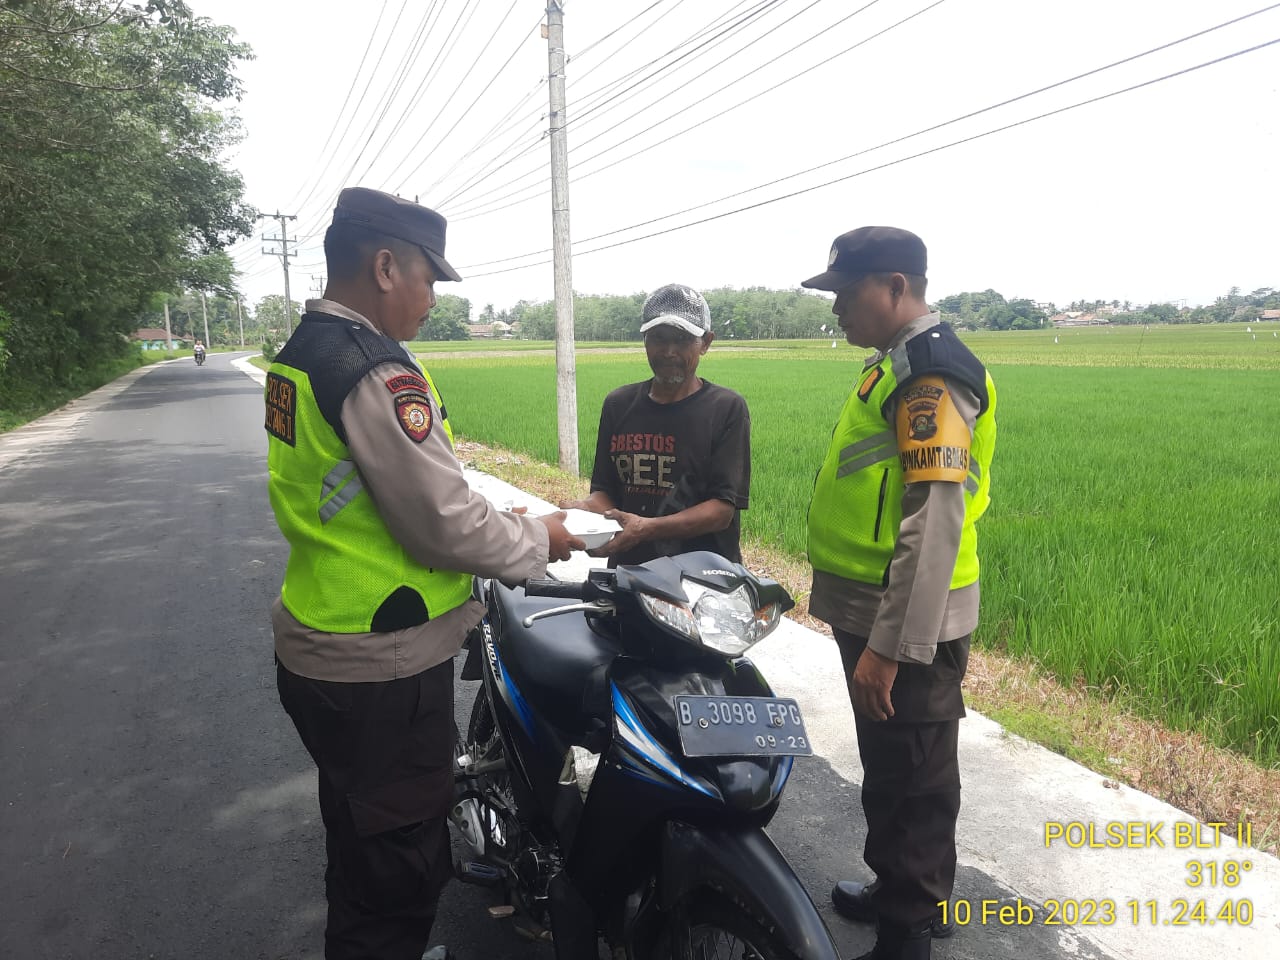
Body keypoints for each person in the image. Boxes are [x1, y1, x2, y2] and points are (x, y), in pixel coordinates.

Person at [263, 186, 583, 960]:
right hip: (382, 665)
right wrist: (542, 537)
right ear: (383, 266)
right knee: (399, 871)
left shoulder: (300, 355)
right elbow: (443, 524)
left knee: (359, 834)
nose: (432, 300)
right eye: (428, 279)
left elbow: (386, 492)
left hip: (318, 644)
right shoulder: (374, 370)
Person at [800, 227, 997, 960]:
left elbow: (934, 517)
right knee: (889, 763)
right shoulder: (894, 364)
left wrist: (890, 647)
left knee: (913, 775)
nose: (838, 311)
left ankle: (910, 929)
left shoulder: (931, 375)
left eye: (846, 295)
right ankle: (899, 891)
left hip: (906, 614)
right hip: (875, 605)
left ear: (893, 286)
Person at [560, 283, 750, 565]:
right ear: (645, 340)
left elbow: (722, 510)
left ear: (706, 342)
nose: (669, 351)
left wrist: (647, 528)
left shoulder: (725, 408)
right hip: (631, 569)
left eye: (683, 339)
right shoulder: (618, 404)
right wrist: (586, 511)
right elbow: (605, 492)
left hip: (702, 579)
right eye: (659, 338)